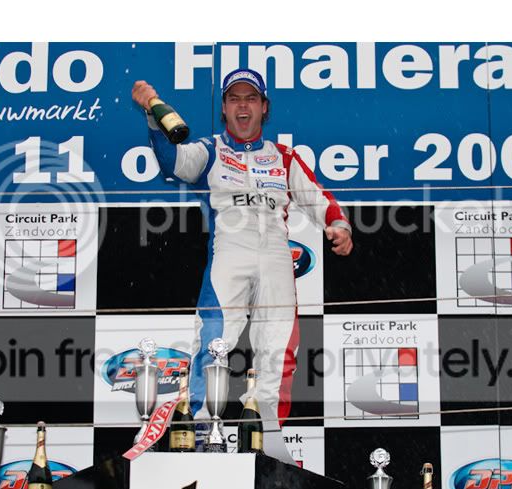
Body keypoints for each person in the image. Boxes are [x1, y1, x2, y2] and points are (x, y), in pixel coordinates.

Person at [132, 69, 353, 456]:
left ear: (264, 107)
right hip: (230, 250)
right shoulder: (210, 150)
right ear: (224, 108)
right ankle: (199, 428)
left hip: (276, 255)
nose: (243, 106)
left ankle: (268, 436)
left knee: (279, 349)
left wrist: (340, 225)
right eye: (234, 99)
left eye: (251, 98)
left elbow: (320, 198)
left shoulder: (284, 157)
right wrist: (153, 113)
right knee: (214, 341)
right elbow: (173, 163)